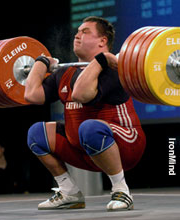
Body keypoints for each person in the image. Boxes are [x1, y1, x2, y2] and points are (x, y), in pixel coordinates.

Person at [24, 16, 146, 211]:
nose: (77, 35)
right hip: (85, 149)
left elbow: (81, 94)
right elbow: (31, 95)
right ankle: (68, 191)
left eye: (85, 32)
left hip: (126, 145)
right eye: (77, 31)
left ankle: (121, 190)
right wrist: (41, 62)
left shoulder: (115, 69)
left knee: (90, 127)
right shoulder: (66, 74)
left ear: (102, 41)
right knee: (37, 133)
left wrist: (101, 60)